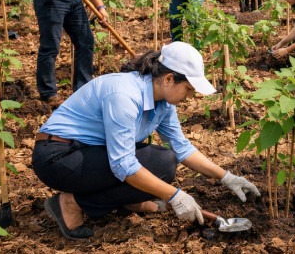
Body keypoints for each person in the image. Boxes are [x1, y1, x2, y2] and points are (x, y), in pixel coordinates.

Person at [32, 42, 260, 240]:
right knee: (159, 165)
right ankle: (72, 203)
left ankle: (124, 202)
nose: (190, 97)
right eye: (189, 89)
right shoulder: (124, 95)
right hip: (59, 156)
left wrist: (226, 177)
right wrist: (175, 195)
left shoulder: (164, 102)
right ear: (169, 79)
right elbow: (123, 164)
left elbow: (181, 148)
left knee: (164, 161)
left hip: (92, 153)